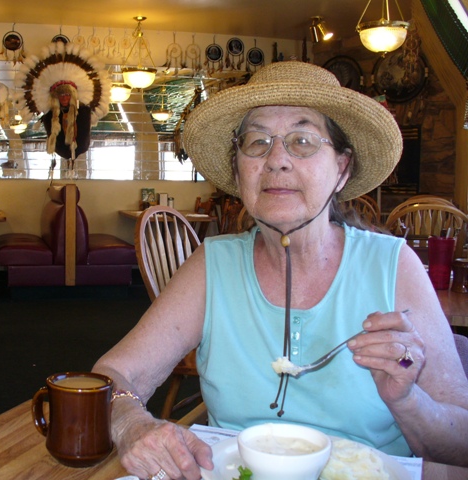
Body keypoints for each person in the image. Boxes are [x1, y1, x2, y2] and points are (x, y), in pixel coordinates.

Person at [92, 61, 468, 480]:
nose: (276, 161)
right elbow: (111, 376)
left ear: (341, 169)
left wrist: (407, 401)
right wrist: (132, 423)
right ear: (238, 170)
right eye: (256, 142)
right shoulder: (212, 266)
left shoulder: (393, 265)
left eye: (303, 141)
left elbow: (462, 445)